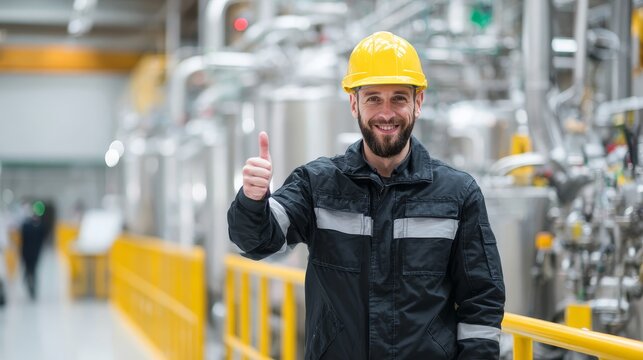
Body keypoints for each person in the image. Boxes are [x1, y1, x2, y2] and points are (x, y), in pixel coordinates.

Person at [228, 31, 505, 359]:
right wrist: (252, 200)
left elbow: (481, 302)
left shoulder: (457, 195)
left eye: (399, 98)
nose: (386, 113)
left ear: (418, 102)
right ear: (353, 103)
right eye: (373, 98)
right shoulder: (317, 185)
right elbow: (258, 242)